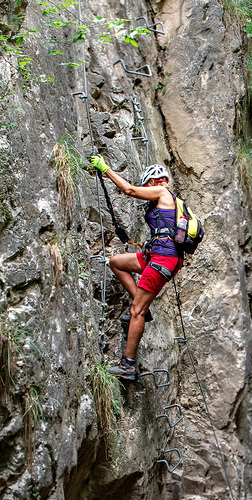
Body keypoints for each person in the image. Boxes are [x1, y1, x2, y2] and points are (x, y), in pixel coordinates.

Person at [90, 155, 183, 381]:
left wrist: (106, 169)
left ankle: (128, 366)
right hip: (157, 255)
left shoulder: (162, 192)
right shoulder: (171, 202)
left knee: (136, 311)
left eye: (146, 186)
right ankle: (143, 307)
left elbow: (129, 190)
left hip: (162, 259)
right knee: (117, 262)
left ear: (152, 182)